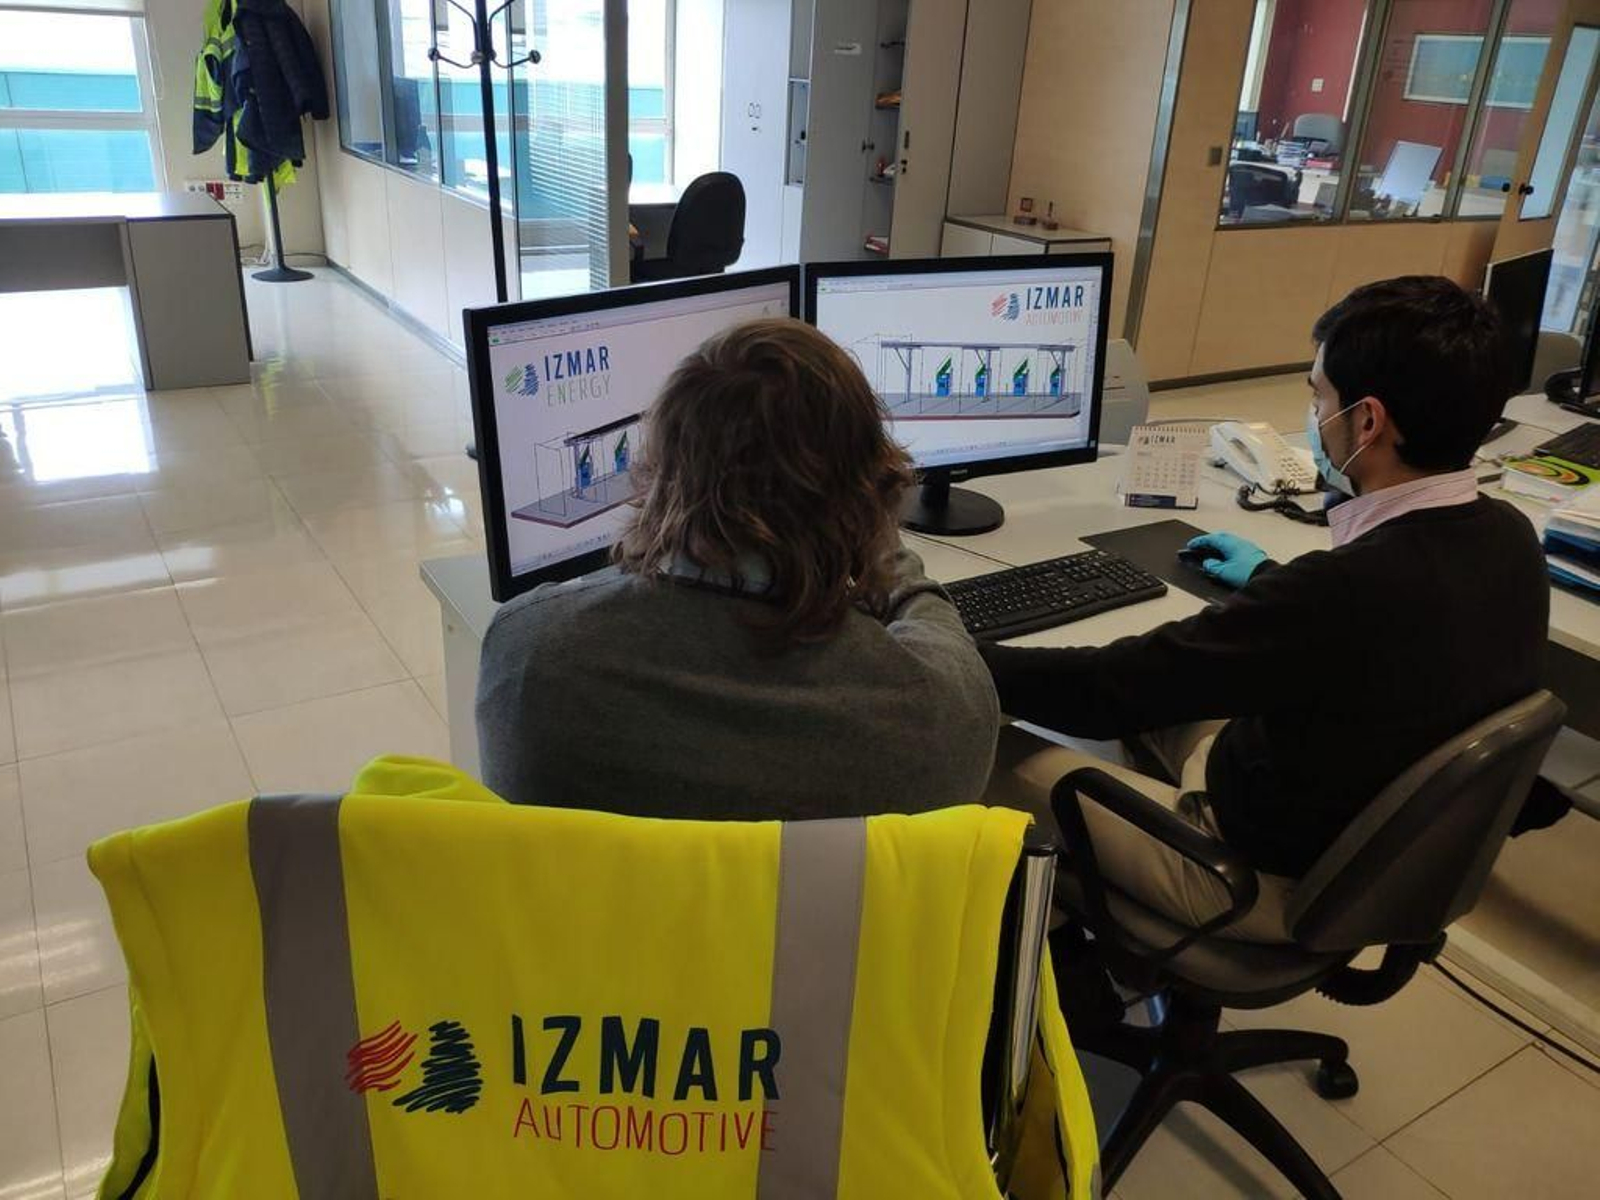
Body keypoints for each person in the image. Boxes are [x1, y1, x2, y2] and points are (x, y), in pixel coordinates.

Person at [982, 275, 1549, 941]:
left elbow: (1105, 689)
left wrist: (953, 657)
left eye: (1318, 396)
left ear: (1366, 421)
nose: (1313, 418)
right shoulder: (1509, 536)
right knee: (1153, 695)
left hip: (1242, 874)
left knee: (986, 739)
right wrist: (1273, 581)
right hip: (1349, 844)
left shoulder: (1339, 592)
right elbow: (1386, 632)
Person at [477, 317, 999, 819]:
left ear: (658, 475)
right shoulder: (944, 711)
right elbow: (939, 633)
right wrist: (880, 548)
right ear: (871, 494)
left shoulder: (529, 657)